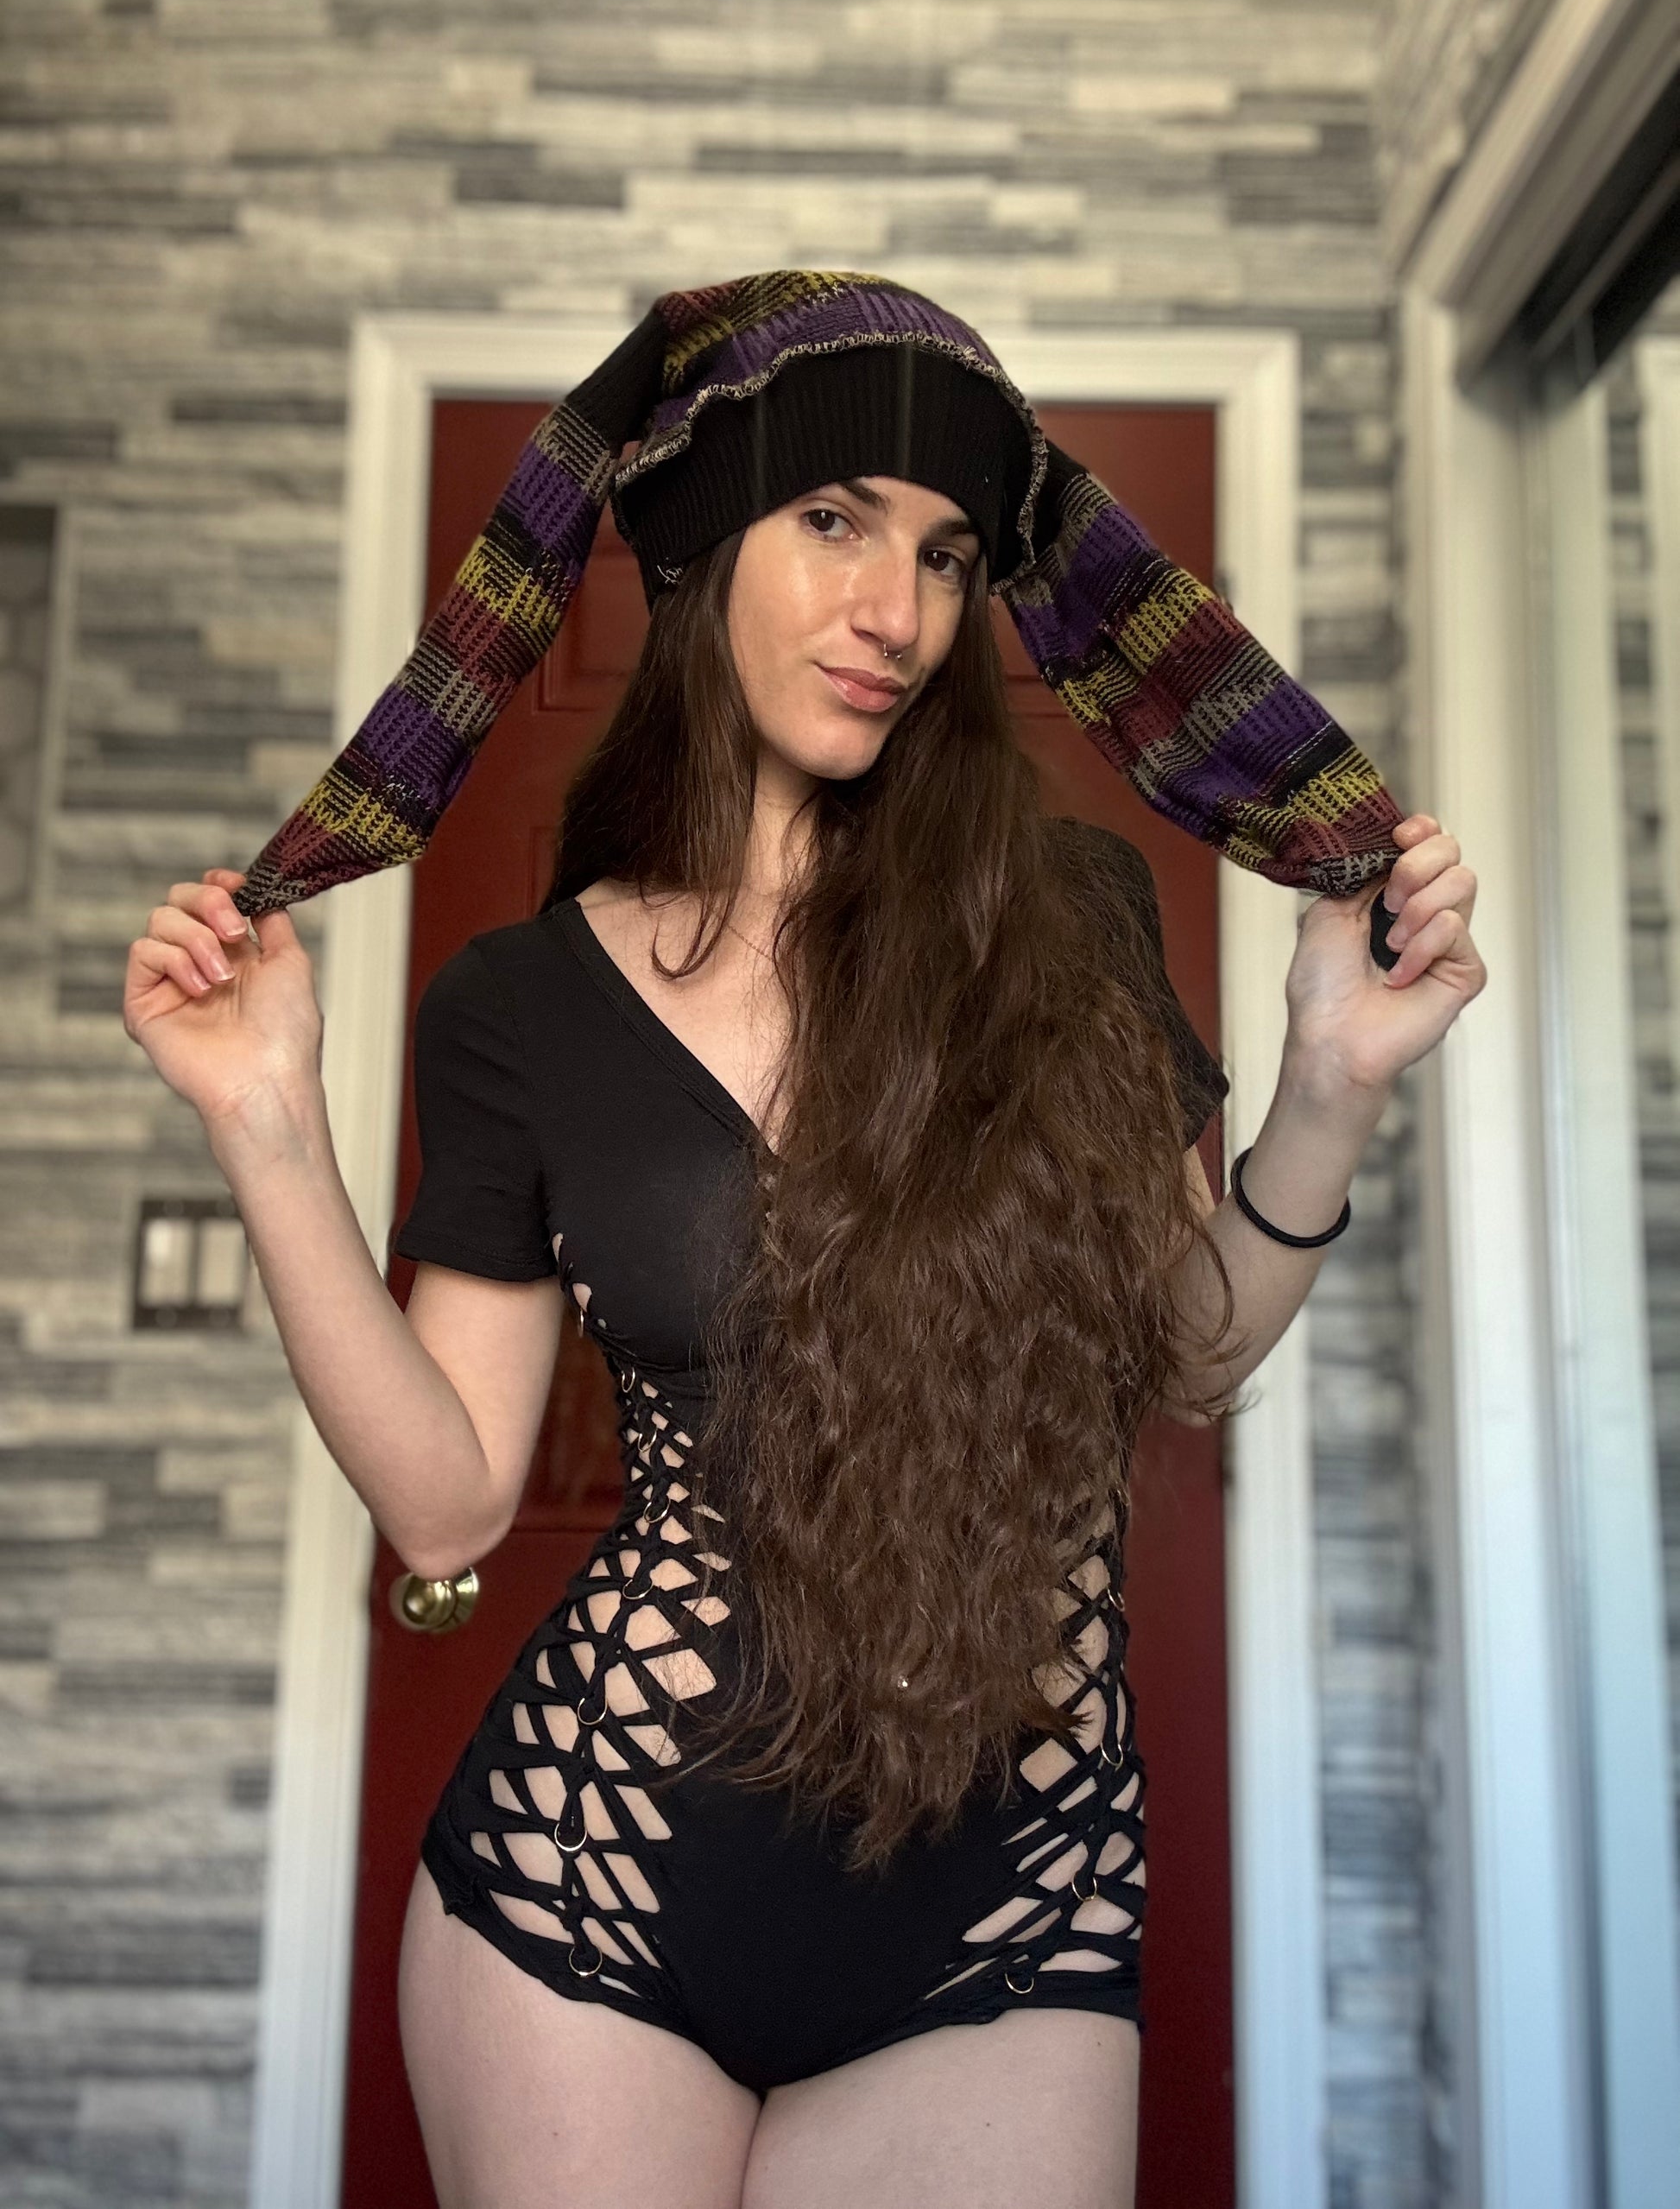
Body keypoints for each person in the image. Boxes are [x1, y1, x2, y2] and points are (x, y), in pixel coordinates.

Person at [123, 275, 1485, 2209]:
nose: (894, 611)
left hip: (1015, 1903)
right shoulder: (520, 1004)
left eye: (940, 554)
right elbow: (443, 1505)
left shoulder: (1069, 916)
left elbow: (1181, 1353)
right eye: (833, 519)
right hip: (595, 1876)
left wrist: (1331, 1085)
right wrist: (264, 1121)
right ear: (699, 552)